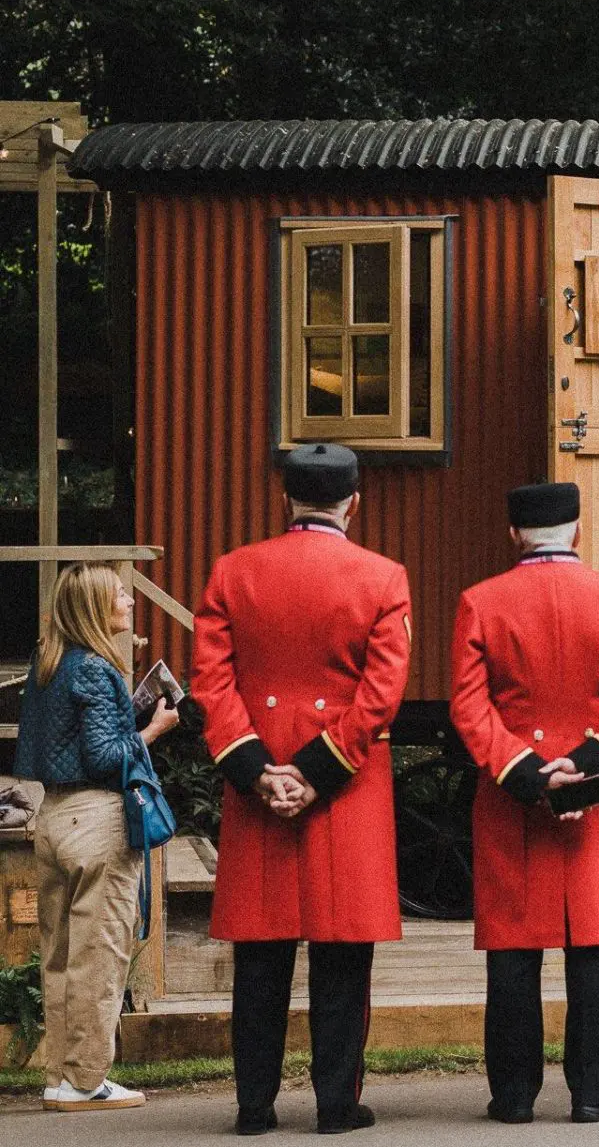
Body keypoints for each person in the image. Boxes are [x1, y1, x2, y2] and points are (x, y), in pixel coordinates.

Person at [192, 443, 412, 1136]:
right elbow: (380, 697)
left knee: (261, 954)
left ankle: (253, 1105)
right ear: (355, 499)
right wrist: (317, 771)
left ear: (285, 497)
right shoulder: (383, 576)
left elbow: (211, 685)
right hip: (345, 787)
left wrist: (259, 767)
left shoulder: (233, 570)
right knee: (342, 954)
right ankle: (336, 1103)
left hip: (258, 780)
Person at [450, 482, 599, 1124]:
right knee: (595, 947)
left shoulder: (480, 603)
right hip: (598, 797)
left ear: (512, 534)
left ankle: (513, 1096)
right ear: (578, 531)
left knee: (513, 953)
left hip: (510, 796)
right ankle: (595, 1094)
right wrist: (589, 765)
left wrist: (527, 772)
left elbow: (469, 706)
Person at [17, 563, 178, 1112]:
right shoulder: (95, 670)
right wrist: (154, 727)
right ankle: (87, 1081)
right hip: (97, 819)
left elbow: (64, 743)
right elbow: (108, 757)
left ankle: (62, 1075)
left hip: (53, 816)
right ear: (94, 608)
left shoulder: (48, 662)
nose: (129, 605)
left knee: (59, 956)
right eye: (119, 597)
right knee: (100, 955)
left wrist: (124, 717)